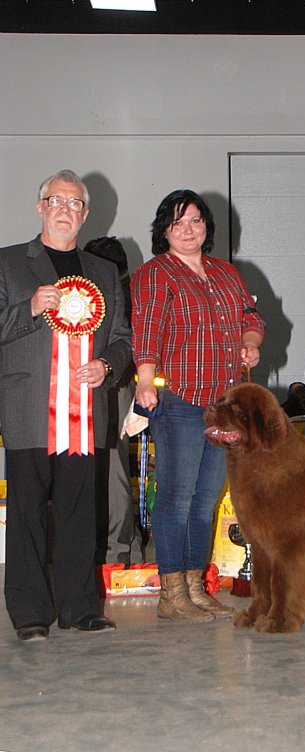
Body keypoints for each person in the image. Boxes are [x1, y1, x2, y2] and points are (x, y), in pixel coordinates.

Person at [0, 169, 132, 641]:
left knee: (82, 513)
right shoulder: (8, 263)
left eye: (75, 203)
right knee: (28, 514)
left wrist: (107, 368)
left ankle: (80, 608)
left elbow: (121, 339)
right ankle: (30, 613)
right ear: (40, 208)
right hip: (27, 410)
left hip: (82, 413)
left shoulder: (102, 272)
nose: (65, 209)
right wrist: (29, 308)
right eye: (56, 200)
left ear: (86, 214)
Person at [131, 188, 265, 623]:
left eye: (195, 221)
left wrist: (250, 341)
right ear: (164, 231)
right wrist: (146, 380)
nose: (187, 230)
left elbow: (250, 315)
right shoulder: (156, 273)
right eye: (177, 223)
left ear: (206, 226)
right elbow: (147, 327)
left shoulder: (225, 272)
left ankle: (194, 587)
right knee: (177, 497)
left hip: (223, 404)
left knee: (206, 498)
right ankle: (171, 595)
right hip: (181, 401)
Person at [83, 236, 143, 566]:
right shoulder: (126, 291)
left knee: (111, 470)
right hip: (105, 384)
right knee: (109, 470)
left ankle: (119, 552)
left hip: (114, 386)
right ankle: (118, 548)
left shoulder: (120, 295)